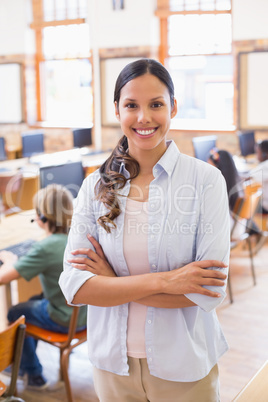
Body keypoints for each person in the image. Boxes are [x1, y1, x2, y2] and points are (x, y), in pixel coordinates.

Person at [59, 58, 230, 402]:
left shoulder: (205, 181)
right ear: (117, 110)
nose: (143, 118)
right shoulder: (95, 185)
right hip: (112, 366)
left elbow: (205, 291)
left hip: (184, 366)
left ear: (173, 107)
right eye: (131, 105)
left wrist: (110, 282)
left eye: (156, 104)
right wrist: (167, 281)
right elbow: (75, 287)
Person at [0, 184, 87, 390]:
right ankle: (24, 363)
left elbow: (3, 278)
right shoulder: (77, 235)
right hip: (88, 315)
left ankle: (32, 373)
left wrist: (9, 258)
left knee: (16, 313)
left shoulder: (46, 247)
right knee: (32, 302)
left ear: (43, 217)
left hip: (64, 320)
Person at [250, 139, 268, 214]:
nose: (256, 156)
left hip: (265, 206)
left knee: (245, 207)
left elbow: (248, 178)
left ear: (264, 154)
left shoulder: (265, 166)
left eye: (257, 152)